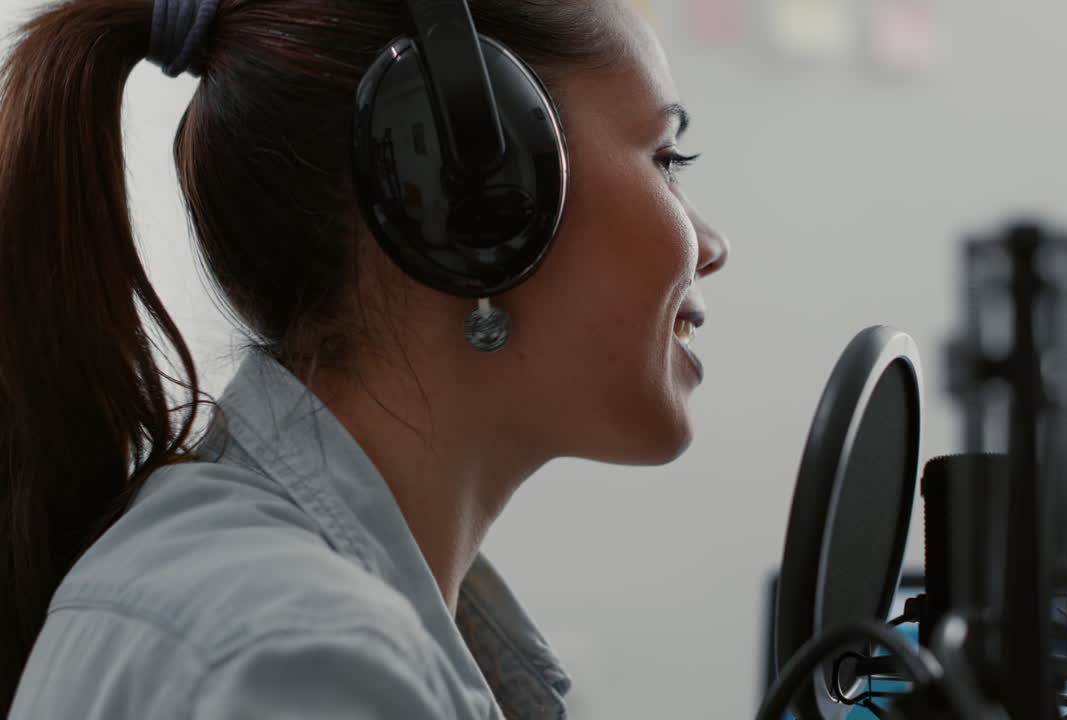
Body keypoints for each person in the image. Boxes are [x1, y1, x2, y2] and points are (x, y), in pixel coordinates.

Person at [0, 0, 729, 717]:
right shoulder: (308, 662)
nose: (711, 245)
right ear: (476, 191)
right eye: (667, 158)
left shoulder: (262, 609)